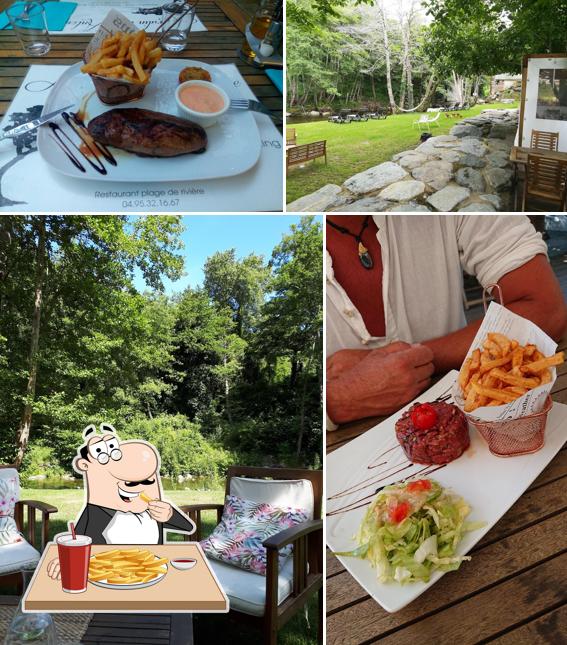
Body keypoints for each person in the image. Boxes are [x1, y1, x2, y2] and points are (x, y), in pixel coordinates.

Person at [326, 215, 567, 426]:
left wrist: (400, 363)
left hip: (471, 420)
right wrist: (335, 400)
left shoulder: (452, 209)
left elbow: (546, 309)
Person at [47, 423, 195, 580]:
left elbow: (188, 527)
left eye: (147, 481)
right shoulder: (96, 512)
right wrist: (66, 561)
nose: (137, 487)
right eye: (129, 483)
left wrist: (169, 515)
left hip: (151, 574)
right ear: (85, 466)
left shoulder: (154, 509)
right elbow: (78, 543)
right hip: (106, 578)